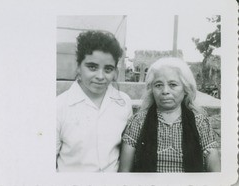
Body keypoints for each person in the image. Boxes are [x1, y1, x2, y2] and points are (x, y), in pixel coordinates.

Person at [118, 57, 221, 172]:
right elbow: (124, 172)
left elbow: (214, 170)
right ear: (151, 89)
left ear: (186, 89)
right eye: (158, 85)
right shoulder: (138, 121)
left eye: (173, 84)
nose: (165, 91)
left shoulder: (200, 122)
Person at [56, 30, 132, 172]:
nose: (100, 76)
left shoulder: (123, 102)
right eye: (92, 67)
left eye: (108, 69)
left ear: (115, 71)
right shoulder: (59, 106)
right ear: (78, 67)